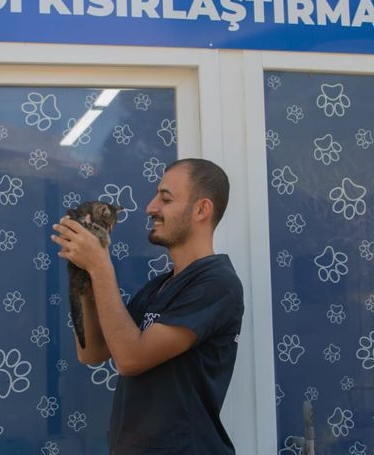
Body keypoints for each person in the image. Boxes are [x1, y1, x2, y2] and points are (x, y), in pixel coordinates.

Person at [51, 158, 244, 454]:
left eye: (165, 199)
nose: (150, 207)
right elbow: (92, 351)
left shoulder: (216, 284)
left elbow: (130, 359)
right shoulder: (158, 288)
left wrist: (101, 266)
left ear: (202, 210)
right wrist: (85, 274)